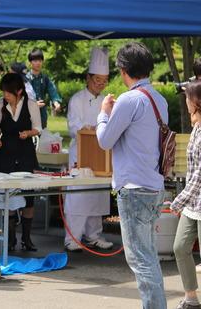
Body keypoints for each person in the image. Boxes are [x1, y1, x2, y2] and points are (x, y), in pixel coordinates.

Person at [96, 42, 167, 308]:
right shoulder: (158, 99)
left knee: (140, 259)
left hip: (134, 188)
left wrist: (103, 112)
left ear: (124, 70)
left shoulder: (129, 99)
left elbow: (104, 140)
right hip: (153, 185)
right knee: (148, 257)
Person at [63, 48, 113, 252]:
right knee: (79, 196)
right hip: (81, 153)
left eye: (104, 81)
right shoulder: (77, 99)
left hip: (100, 154)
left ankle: (94, 235)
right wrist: (87, 128)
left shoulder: (106, 101)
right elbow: (73, 126)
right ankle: (72, 237)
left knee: (98, 196)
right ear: (88, 78)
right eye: (97, 80)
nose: (100, 85)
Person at [0, 73, 42, 251]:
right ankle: (11, 238)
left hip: (26, 152)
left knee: (28, 198)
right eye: (4, 92)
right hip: (5, 153)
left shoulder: (31, 105)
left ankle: (26, 238)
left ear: (19, 91)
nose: (5, 95)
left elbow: (38, 128)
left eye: (9, 92)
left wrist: (28, 133)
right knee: (8, 197)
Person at [172, 80, 201, 309]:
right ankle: (191, 298)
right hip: (193, 203)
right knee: (180, 247)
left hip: (195, 199)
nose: (185, 100)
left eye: (187, 97)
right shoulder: (196, 126)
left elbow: (199, 176)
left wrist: (177, 201)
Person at [26, 48, 61, 128]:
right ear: (30, 62)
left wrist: (56, 102)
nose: (38, 63)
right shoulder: (25, 78)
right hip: (28, 113)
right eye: (35, 61)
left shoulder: (45, 78)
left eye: (40, 60)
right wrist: (33, 105)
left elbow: (52, 90)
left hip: (42, 114)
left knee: (42, 136)